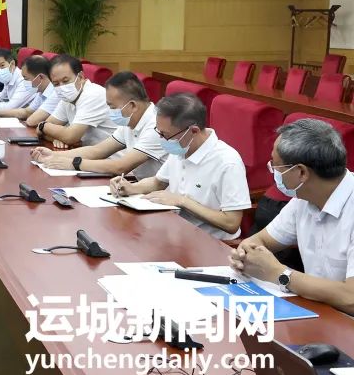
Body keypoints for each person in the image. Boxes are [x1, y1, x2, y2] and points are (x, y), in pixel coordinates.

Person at [230, 119, 354, 312]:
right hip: (320, 311)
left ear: (301, 172)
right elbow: (261, 240)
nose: (272, 171)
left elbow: (350, 298)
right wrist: (245, 254)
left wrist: (279, 274)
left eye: (276, 166)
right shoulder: (304, 198)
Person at [109, 93, 250, 240]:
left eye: (165, 135)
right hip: (175, 231)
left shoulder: (227, 162)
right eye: (159, 132)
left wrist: (183, 201)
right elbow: (158, 182)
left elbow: (231, 222)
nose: (161, 139)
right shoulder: (182, 147)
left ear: (193, 131)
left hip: (210, 242)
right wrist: (131, 188)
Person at [32, 72, 167, 178]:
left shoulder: (156, 127)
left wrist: (74, 163)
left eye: (112, 107)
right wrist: (53, 156)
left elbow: (120, 167)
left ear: (132, 105)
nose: (110, 111)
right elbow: (97, 151)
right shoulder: (129, 121)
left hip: (163, 198)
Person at [37, 55, 117, 148]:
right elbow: (40, 132)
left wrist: (43, 126)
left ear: (81, 77)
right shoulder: (68, 98)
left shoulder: (93, 95)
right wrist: (56, 138)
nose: (62, 87)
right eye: (56, 84)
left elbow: (70, 137)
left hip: (111, 156)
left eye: (65, 81)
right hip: (86, 152)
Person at [0, 55, 61, 127]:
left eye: (26, 78)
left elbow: (32, 121)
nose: (24, 82)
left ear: (40, 77)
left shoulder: (55, 92)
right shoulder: (40, 91)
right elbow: (27, 112)